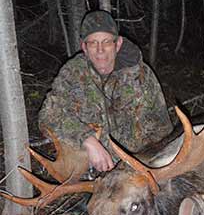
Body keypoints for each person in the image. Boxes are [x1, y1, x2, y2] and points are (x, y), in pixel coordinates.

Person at [38, 10, 173, 173]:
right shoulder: (73, 73)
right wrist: (87, 139)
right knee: (69, 166)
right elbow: (47, 116)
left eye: (107, 42)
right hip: (97, 166)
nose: (100, 50)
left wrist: (147, 164)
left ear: (118, 44)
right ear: (84, 47)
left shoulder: (141, 75)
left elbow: (162, 129)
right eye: (93, 43)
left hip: (140, 164)